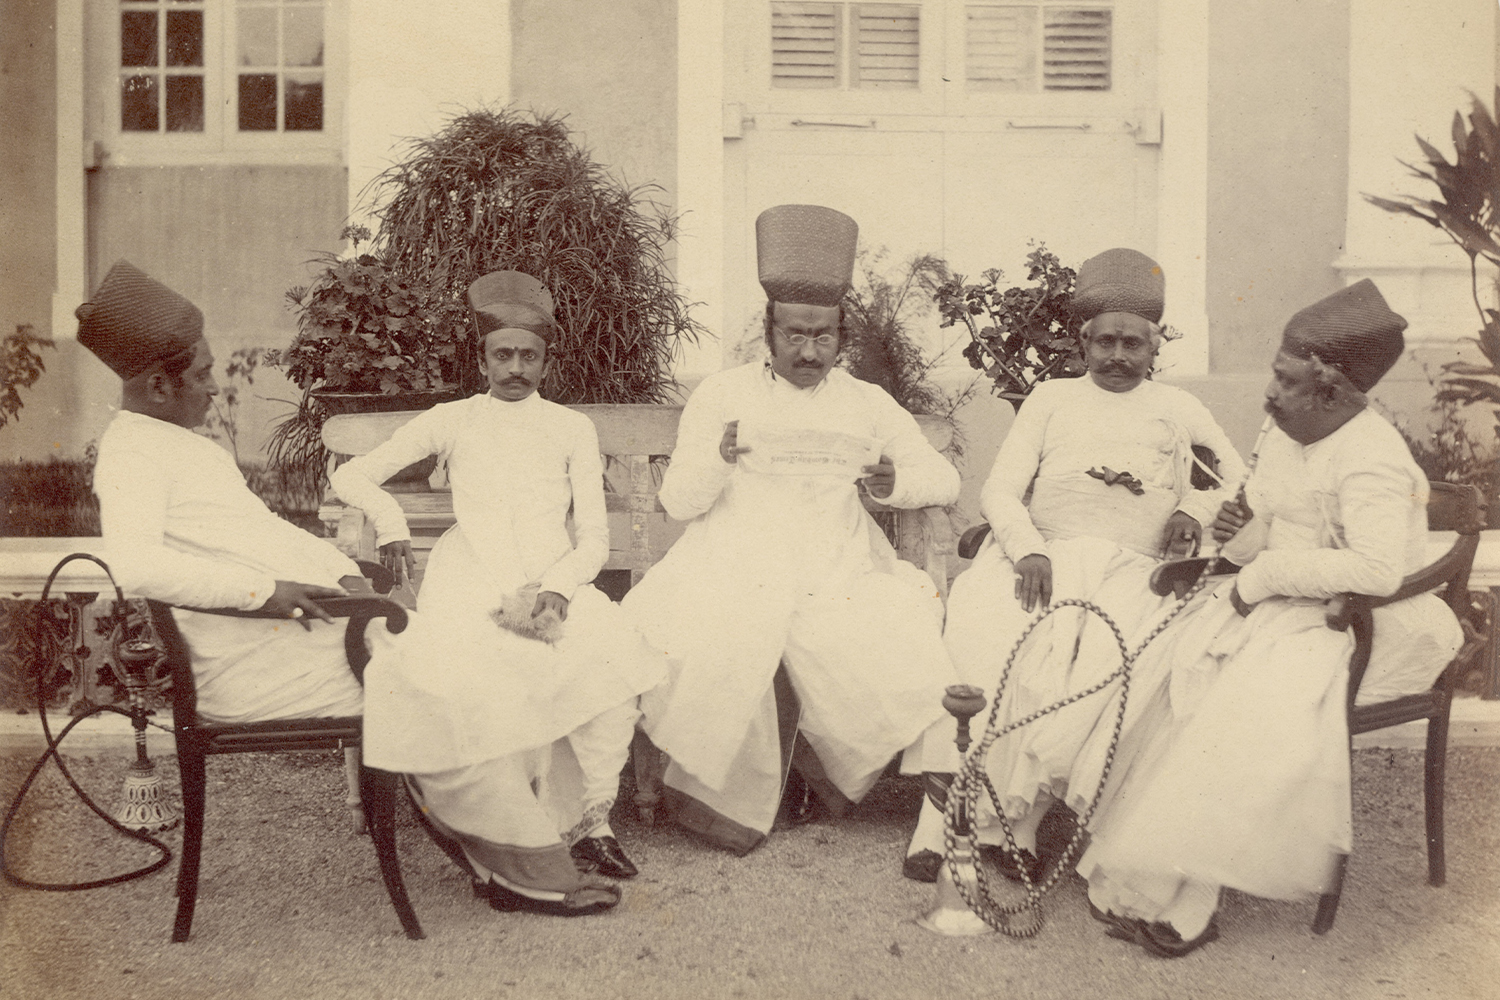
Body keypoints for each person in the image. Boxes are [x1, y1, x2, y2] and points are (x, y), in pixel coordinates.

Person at [1076, 279, 1466, 957]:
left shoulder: (1372, 456)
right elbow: (1263, 517)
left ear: (1333, 391)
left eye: (1285, 382)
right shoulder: (1287, 425)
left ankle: (1196, 899)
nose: (1270, 394)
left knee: (1243, 702)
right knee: (1174, 670)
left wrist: (1260, 576)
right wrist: (1240, 529)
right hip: (1285, 608)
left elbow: (1376, 571)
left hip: (1369, 624)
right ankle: (1153, 875)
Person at [623, 204, 962, 855]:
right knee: (717, 630)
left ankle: (827, 784)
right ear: (768, 332)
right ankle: (729, 798)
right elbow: (677, 500)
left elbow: (940, 478)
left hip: (835, 564)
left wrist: (895, 483)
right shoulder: (723, 395)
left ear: (842, 338)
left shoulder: (865, 402)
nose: (808, 352)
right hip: (729, 557)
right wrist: (717, 458)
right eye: (794, 335)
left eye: (823, 337)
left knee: (888, 629)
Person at [327, 271, 666, 916]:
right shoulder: (452, 420)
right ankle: (524, 833)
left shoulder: (570, 429)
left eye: (528, 356)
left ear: (546, 359)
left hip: (552, 573)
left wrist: (562, 587)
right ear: (482, 358)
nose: (515, 368)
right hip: (470, 576)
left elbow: (592, 537)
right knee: (497, 669)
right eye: (501, 355)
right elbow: (353, 475)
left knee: (610, 657)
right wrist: (394, 526)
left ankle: (592, 824)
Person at [904, 249, 1246, 884]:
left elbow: (1235, 480)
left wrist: (1194, 511)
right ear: (1083, 342)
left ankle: (1020, 829)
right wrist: (1028, 547)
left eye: (1133, 345)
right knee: (985, 629)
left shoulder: (1179, 409)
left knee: (1089, 659)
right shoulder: (1050, 400)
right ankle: (936, 822)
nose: (1118, 356)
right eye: (1105, 342)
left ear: (1155, 348)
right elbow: (1000, 491)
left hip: (1131, 571)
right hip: (1043, 556)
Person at [84, 261, 390, 726]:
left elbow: (263, 530)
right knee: (456, 682)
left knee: (466, 670)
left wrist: (343, 571)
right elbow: (136, 566)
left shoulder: (176, 443)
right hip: (257, 667)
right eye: (203, 374)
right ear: (158, 385)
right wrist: (264, 592)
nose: (213, 388)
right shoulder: (131, 455)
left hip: (300, 641)